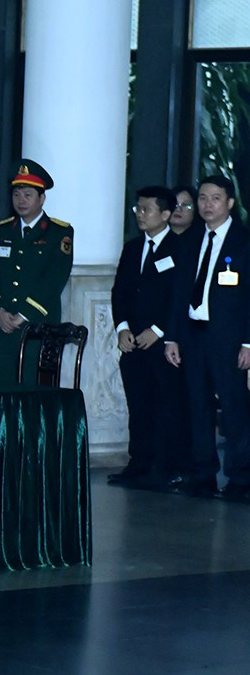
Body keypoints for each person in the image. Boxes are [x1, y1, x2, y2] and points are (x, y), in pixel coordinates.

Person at [165, 175, 250, 501]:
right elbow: (178, 293)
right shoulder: (190, 240)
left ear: (229, 203)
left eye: (215, 198)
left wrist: (248, 343)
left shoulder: (243, 241)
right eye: (202, 198)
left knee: (233, 408)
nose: (207, 204)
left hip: (228, 339)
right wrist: (172, 338)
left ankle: (241, 479)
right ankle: (203, 476)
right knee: (197, 407)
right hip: (193, 335)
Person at [109, 186, 189, 491]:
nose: (140, 215)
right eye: (138, 210)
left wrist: (157, 330)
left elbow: (179, 298)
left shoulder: (181, 249)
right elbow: (120, 292)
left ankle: (166, 467)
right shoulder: (131, 248)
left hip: (164, 342)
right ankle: (138, 463)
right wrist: (123, 328)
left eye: (147, 210)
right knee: (138, 404)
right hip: (133, 342)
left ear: (166, 215)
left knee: (166, 405)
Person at [0, 161, 73, 384]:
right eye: (17, 194)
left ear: (41, 198)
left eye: (28, 195)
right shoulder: (2, 230)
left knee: (33, 393)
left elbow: (54, 279)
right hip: (2, 328)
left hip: (37, 327)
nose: (21, 201)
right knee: (4, 391)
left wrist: (22, 316)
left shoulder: (59, 232)